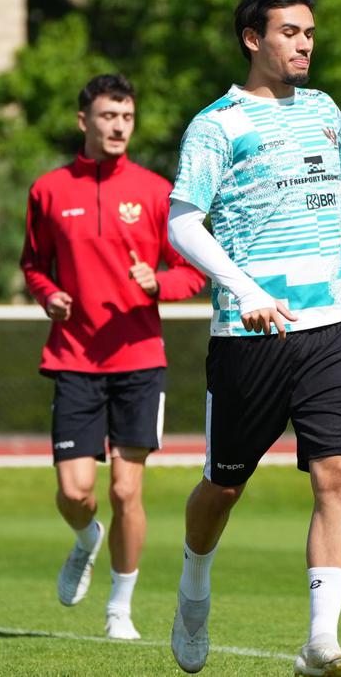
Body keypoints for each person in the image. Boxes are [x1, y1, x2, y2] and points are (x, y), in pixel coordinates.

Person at [163, 0, 341, 676]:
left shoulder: (323, 110)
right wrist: (243, 289)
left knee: (336, 472)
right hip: (250, 336)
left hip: (332, 325)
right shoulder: (216, 125)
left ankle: (320, 641)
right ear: (253, 39)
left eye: (308, 32)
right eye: (289, 32)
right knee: (222, 488)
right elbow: (182, 221)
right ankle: (193, 587)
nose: (303, 43)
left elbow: (340, 183)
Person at [19, 73, 206, 641]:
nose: (118, 126)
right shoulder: (49, 191)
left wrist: (158, 284)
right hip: (74, 359)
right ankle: (84, 539)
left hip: (138, 359)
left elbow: (194, 271)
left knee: (128, 489)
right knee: (76, 492)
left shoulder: (156, 191)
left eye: (126, 116)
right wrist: (48, 295)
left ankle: (119, 609)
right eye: (107, 116)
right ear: (85, 121)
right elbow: (32, 264)